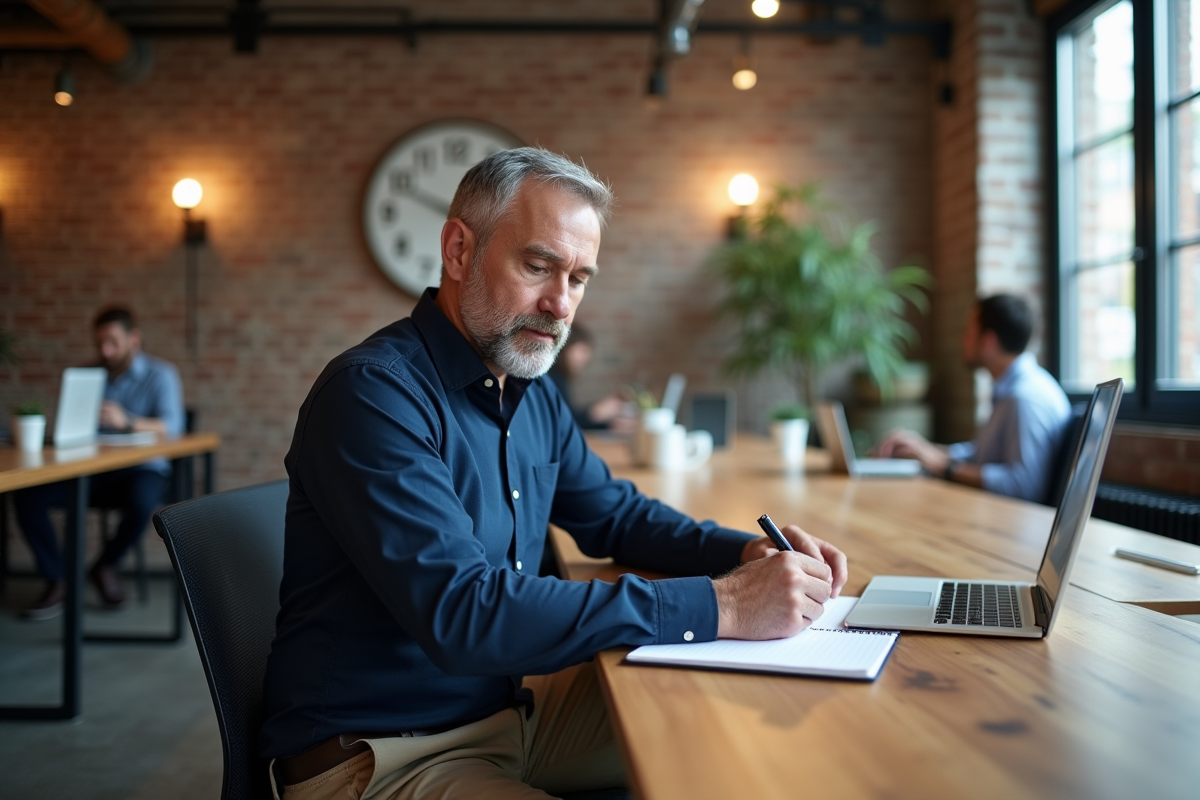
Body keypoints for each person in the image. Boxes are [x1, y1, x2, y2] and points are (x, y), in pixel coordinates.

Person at [260, 148, 849, 800]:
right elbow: (465, 615)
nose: (560, 303)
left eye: (578, 278)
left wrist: (745, 551)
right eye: (538, 266)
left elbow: (614, 516)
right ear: (459, 251)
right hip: (386, 754)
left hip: (512, 713)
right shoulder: (373, 395)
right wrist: (729, 603)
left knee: (731, 723)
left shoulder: (528, 390)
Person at [13, 307, 185, 619]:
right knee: (28, 496)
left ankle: (105, 566)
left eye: (113, 342)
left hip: (142, 468)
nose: (106, 351)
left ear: (134, 339)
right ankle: (58, 580)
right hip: (92, 470)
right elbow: (70, 427)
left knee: (143, 500)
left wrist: (128, 421)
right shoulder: (86, 374)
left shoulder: (161, 374)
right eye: (100, 344)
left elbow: (172, 426)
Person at [875, 293, 1072, 504]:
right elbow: (983, 453)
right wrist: (924, 449)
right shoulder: (1011, 388)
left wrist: (944, 466)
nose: (963, 340)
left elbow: (1022, 486)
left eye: (968, 332)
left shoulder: (1026, 399)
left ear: (988, 341)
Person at [545, 324, 632, 431]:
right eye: (582, 350)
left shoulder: (559, 377)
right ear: (564, 347)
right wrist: (597, 412)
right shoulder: (551, 378)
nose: (587, 357)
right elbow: (564, 423)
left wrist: (609, 424)